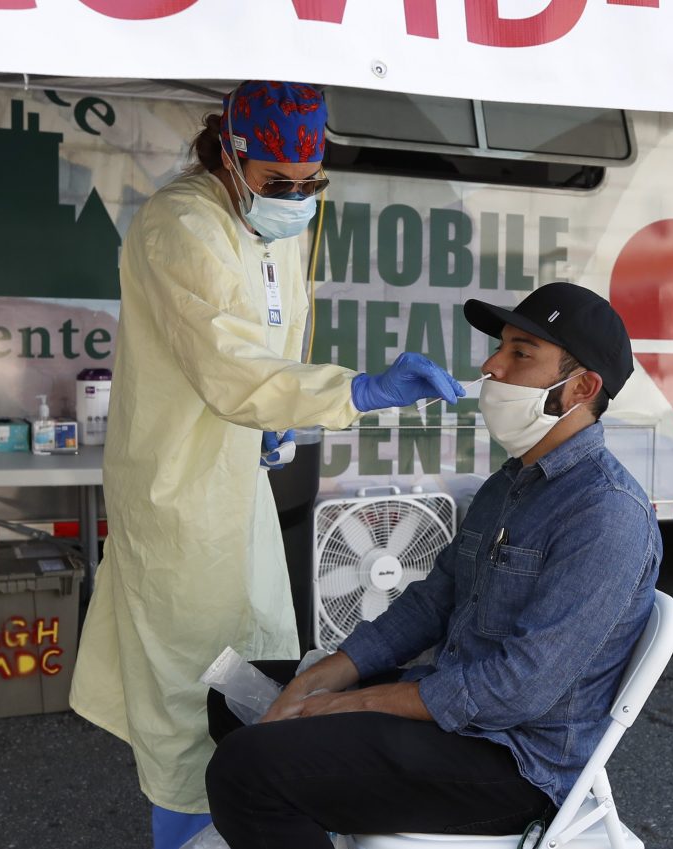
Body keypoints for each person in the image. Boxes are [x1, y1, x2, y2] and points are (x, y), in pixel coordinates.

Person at [70, 80, 467, 849]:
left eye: (307, 181)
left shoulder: (279, 228)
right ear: (229, 152)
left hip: (242, 486)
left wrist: (278, 421)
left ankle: (246, 818)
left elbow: (277, 345)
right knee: (189, 695)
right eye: (277, 182)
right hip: (181, 492)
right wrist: (357, 389)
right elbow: (228, 363)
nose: (294, 197)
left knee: (251, 673)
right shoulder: (180, 226)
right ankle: (185, 834)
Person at [202, 282, 662, 849]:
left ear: (581, 388)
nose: (492, 365)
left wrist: (348, 703)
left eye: (520, 354)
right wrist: (335, 670)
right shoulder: (511, 483)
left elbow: (516, 691)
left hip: (513, 762)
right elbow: (433, 600)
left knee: (247, 771)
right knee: (233, 698)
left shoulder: (606, 514)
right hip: (454, 706)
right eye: (500, 347)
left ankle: (301, 789)